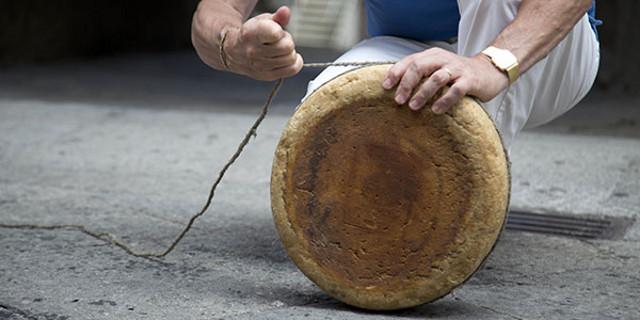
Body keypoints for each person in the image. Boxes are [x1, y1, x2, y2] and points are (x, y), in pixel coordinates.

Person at [191, 0, 601, 148]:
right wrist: (233, 45)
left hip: (539, 57)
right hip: (413, 48)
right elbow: (212, 14)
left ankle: (466, 197)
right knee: (331, 102)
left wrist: (490, 63)